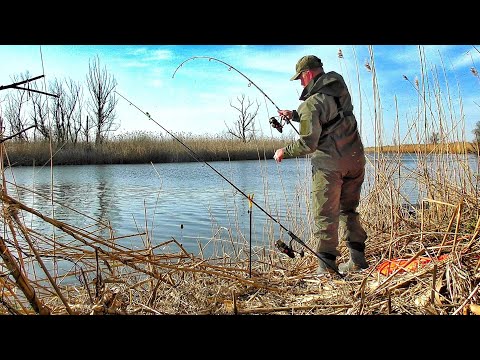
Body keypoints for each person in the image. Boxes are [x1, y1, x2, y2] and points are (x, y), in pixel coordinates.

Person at [273, 55, 368, 275]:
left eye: (300, 78)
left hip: (329, 165)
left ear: (307, 74)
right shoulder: (340, 91)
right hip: (355, 160)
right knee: (349, 211)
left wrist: (283, 152)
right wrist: (296, 115)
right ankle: (358, 261)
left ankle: (326, 268)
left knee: (325, 215)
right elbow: (330, 116)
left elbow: (308, 144)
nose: (300, 83)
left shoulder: (311, 103)